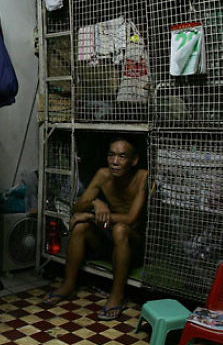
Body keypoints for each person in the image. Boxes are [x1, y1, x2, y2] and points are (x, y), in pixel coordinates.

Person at [43, 137, 148, 321]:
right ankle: (68, 285)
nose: (115, 162)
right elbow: (77, 208)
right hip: (109, 241)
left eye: (122, 156)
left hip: (134, 246)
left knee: (120, 230)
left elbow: (131, 219)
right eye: (111, 155)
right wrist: (95, 202)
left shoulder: (142, 178)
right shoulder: (103, 175)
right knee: (80, 226)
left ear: (134, 160)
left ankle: (117, 296)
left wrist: (91, 215)